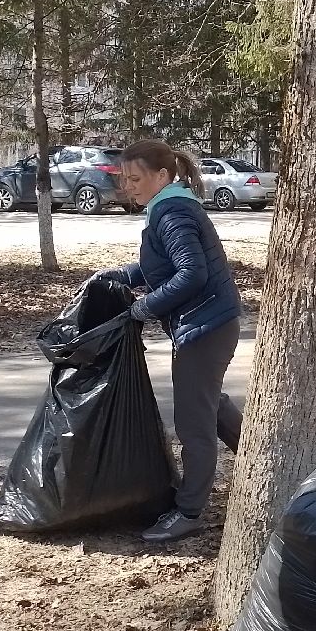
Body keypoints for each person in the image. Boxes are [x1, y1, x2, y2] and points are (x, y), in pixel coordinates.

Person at [95, 139, 244, 542]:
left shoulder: (172, 210)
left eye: (136, 178)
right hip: (209, 323)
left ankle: (189, 510)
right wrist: (123, 276)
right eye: (124, 179)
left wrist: (143, 308)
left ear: (162, 176)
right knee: (210, 406)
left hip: (205, 326)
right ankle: (263, 464)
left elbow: (191, 273)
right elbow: (161, 265)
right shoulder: (170, 206)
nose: (129, 186)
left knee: (193, 424)